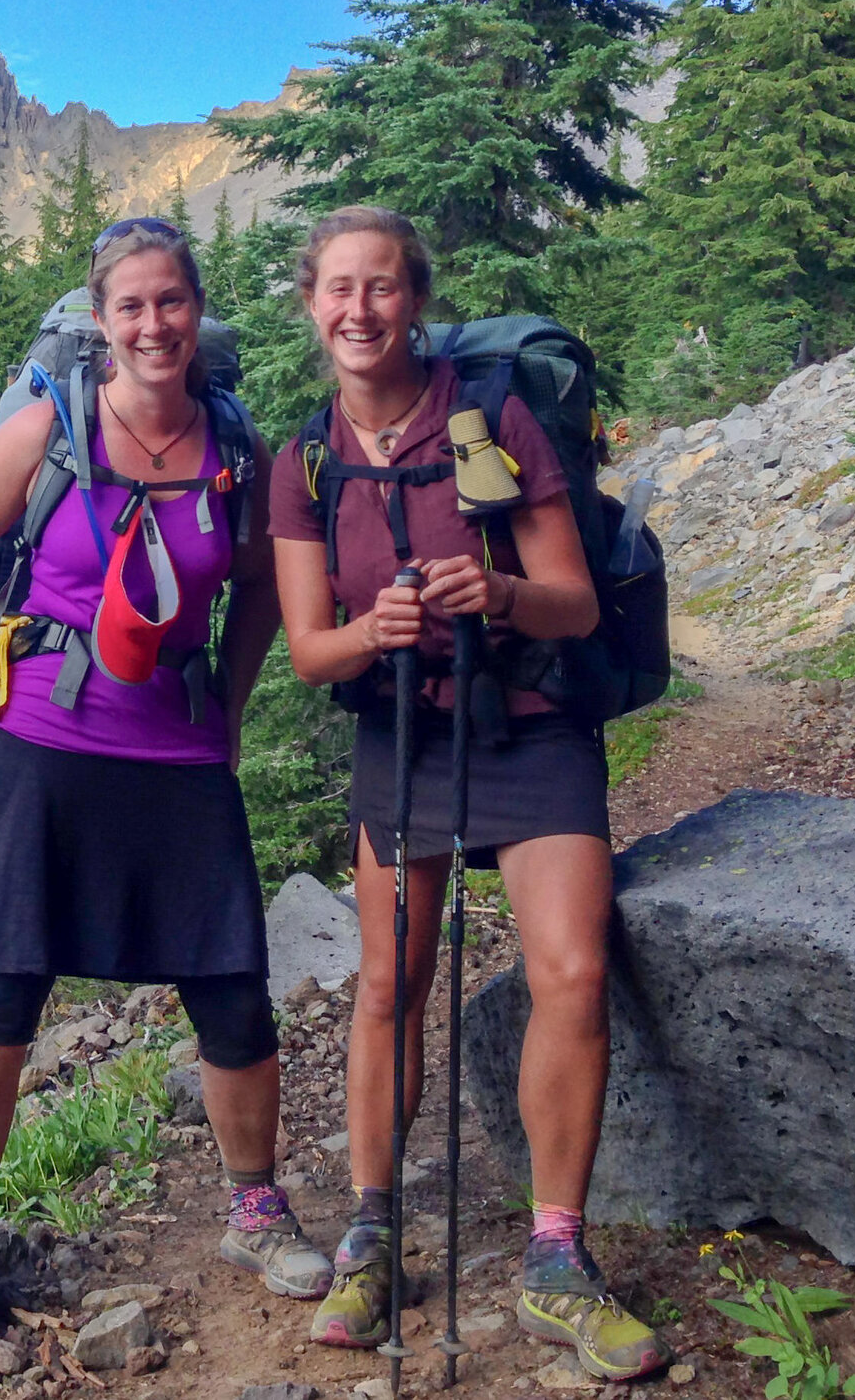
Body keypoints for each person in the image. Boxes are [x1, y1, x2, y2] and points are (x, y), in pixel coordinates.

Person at [0, 216, 331, 1348]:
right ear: (102, 323)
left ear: (197, 312)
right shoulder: (54, 427)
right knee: (3, 989)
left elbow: (253, 584)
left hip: (177, 746)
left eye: (171, 302)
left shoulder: (231, 445)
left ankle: (253, 1203)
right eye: (131, 306)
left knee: (231, 984)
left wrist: (231, 707)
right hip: (42, 739)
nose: (154, 323)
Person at [268, 206, 666, 1381]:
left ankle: (555, 1254)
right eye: (338, 288)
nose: (359, 309)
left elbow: (574, 601)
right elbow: (305, 647)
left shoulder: (491, 423)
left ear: (415, 299)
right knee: (391, 980)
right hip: (401, 732)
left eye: (381, 287)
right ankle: (372, 1229)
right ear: (310, 304)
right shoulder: (305, 457)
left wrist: (493, 594)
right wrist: (370, 628)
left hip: (532, 726)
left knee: (574, 968)